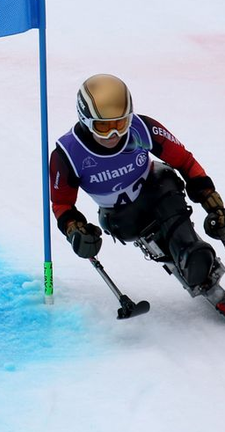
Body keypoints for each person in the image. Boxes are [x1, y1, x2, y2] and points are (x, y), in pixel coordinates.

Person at [50, 74, 225, 312]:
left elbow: (183, 161)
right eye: (103, 127)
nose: (114, 136)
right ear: (85, 120)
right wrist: (75, 230)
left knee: (179, 225)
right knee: (165, 232)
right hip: (121, 218)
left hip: (158, 189)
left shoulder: (142, 128)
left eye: (120, 124)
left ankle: (193, 259)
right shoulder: (68, 154)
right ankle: (191, 262)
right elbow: (62, 203)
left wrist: (210, 201)